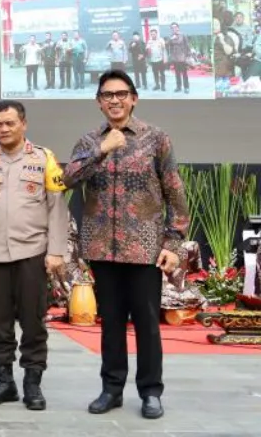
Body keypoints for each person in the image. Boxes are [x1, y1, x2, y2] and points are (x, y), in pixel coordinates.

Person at [63, 70, 188, 420]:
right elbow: (68, 179)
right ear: (98, 102)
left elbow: (174, 192)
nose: (114, 100)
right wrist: (101, 151)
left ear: (134, 98)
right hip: (102, 248)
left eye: (121, 94)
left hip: (145, 248)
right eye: (107, 95)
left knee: (147, 323)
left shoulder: (156, 139)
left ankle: (150, 392)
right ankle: (111, 388)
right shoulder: (89, 140)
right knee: (111, 322)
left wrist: (173, 243)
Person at [0, 100, 68, 411]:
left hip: (32, 253)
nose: (3, 129)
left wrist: (57, 252)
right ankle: (4, 380)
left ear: (23, 124)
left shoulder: (44, 159)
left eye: (9, 123)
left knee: (33, 321)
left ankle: (32, 382)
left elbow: (57, 208)